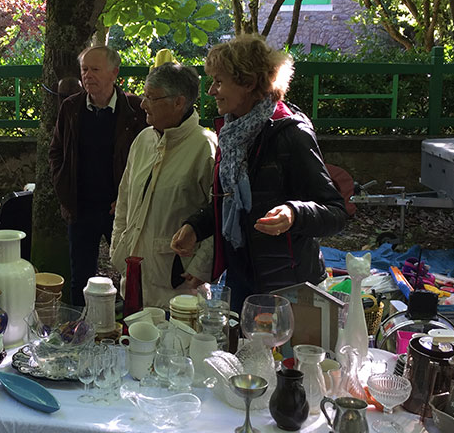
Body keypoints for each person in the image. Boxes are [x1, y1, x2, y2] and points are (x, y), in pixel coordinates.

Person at [171, 35, 347, 311]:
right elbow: (230, 200)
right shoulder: (231, 133)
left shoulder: (291, 134)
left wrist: (293, 213)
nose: (211, 91)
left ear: (248, 83)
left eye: (219, 81)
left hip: (286, 285)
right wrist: (196, 226)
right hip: (240, 276)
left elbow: (336, 211)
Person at [109, 63, 216, 308]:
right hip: (134, 277)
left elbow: (219, 212)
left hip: (179, 287)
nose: (143, 104)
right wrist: (118, 248)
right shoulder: (143, 140)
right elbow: (124, 200)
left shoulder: (204, 146)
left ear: (179, 102)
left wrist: (202, 265)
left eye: (150, 97)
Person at [49, 46, 148, 306]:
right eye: (84, 70)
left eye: (95, 69)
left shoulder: (135, 109)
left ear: (114, 73)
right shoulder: (71, 107)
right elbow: (56, 151)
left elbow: (150, 157)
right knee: (80, 276)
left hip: (121, 208)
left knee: (132, 272)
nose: (87, 76)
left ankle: (131, 325)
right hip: (81, 206)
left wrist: (128, 199)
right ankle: (78, 332)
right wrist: (64, 189)